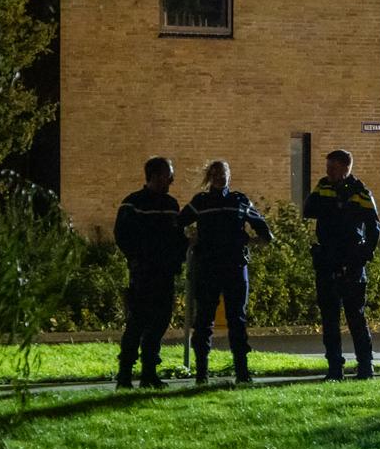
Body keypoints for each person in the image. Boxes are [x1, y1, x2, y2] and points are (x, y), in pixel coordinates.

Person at [179, 160, 272, 384]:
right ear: (209, 177)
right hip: (208, 268)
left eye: (223, 174)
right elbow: (178, 222)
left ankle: (242, 372)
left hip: (234, 267)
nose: (220, 178)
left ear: (229, 175)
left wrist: (252, 241)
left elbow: (264, 231)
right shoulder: (201, 201)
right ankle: (202, 374)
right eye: (216, 174)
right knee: (204, 321)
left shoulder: (239, 200)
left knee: (236, 320)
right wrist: (188, 240)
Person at [303, 149, 380, 380]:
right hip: (327, 259)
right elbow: (308, 210)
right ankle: (334, 368)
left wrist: (364, 254)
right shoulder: (323, 186)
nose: (328, 172)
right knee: (329, 318)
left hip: (351, 261)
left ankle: (365, 366)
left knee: (355, 317)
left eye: (333, 168)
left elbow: (374, 226)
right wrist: (332, 204)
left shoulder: (360, 192)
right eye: (328, 167)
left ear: (346, 167)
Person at [112, 156, 186, 389]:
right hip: (144, 273)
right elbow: (122, 235)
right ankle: (125, 375)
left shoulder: (171, 205)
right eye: (168, 175)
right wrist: (137, 259)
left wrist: (180, 256)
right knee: (137, 322)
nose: (172, 180)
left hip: (165, 273)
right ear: (155, 175)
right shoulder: (133, 204)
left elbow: (177, 237)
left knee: (159, 322)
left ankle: (149, 373)